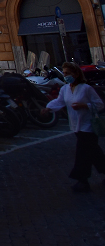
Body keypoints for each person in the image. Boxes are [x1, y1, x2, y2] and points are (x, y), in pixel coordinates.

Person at [44, 62, 105, 192]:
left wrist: (84, 106)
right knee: (94, 152)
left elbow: (99, 104)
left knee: (83, 153)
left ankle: (82, 180)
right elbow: (59, 101)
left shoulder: (86, 88)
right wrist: (48, 108)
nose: (65, 76)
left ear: (76, 74)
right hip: (76, 125)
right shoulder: (65, 89)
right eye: (64, 73)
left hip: (88, 125)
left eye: (68, 73)